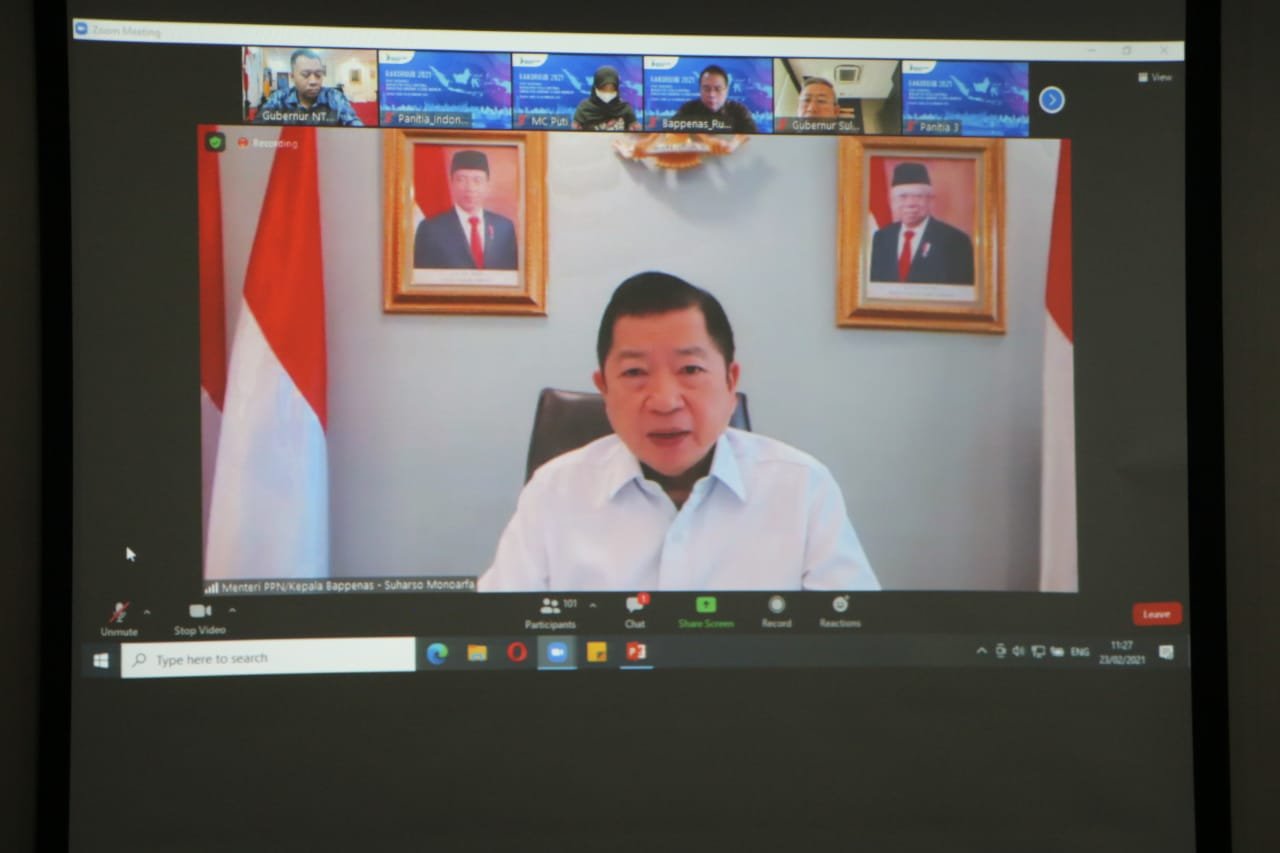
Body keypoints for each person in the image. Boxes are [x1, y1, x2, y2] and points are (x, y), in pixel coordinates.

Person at [477, 271, 879, 592]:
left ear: (730, 382)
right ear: (604, 390)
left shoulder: (803, 488)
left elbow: (853, 642)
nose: (665, 401)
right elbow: (499, 636)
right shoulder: (553, 492)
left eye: (690, 369)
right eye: (635, 372)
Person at [868, 162, 975, 285]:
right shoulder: (881, 238)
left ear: (930, 200)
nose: (910, 203)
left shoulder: (956, 241)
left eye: (918, 196)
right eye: (903, 196)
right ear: (892, 201)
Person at [414, 150, 519, 270]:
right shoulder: (430, 229)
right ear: (452, 183)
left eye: (477, 180)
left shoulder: (504, 227)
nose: (470, 188)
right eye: (461, 179)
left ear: (487, 185)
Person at [255, 48, 363, 127]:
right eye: (305, 75)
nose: (313, 81)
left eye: (318, 75)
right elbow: (258, 129)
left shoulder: (335, 97)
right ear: (292, 77)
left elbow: (356, 128)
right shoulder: (279, 98)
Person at [671, 65, 758, 133]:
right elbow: (669, 133)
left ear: (727, 90)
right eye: (706, 89)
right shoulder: (688, 109)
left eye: (718, 89)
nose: (712, 94)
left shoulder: (739, 111)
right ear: (700, 89)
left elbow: (753, 136)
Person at [572, 65, 641, 131]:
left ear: (617, 89)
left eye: (612, 89)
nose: (607, 93)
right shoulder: (584, 108)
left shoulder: (625, 109)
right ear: (595, 87)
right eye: (603, 89)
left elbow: (636, 133)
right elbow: (574, 134)